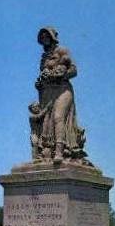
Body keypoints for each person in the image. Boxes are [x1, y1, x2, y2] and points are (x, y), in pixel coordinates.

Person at [35, 27, 86, 163]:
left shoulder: (62, 51)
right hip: (49, 92)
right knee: (47, 123)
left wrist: (61, 74)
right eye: (42, 36)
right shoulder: (44, 57)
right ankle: (47, 152)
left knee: (58, 117)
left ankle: (59, 152)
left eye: (47, 35)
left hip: (63, 89)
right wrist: (40, 81)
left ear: (52, 37)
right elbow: (42, 75)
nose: (44, 38)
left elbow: (74, 70)